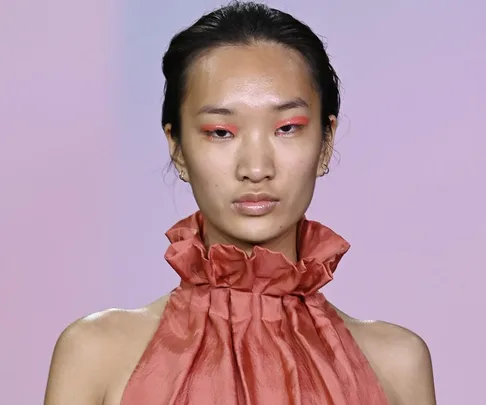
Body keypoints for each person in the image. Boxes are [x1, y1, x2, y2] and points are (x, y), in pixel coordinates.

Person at [44, 2, 436, 404]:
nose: (255, 167)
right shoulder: (96, 354)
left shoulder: (397, 364)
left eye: (286, 128)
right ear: (177, 148)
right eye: (220, 132)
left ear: (325, 141)